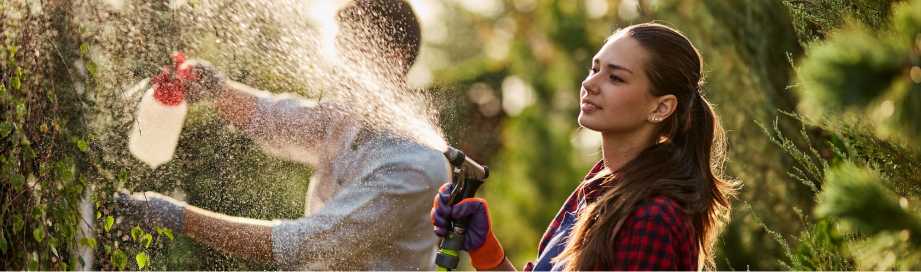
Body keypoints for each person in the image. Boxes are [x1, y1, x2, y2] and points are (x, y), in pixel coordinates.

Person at [117, 0, 450, 270]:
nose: (338, 67)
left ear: (393, 61)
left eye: (351, 54)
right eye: (340, 51)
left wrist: (177, 216)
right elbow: (273, 119)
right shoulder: (348, 118)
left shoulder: (414, 167)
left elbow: (303, 243)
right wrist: (215, 88)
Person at [432, 22, 740, 271]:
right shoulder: (598, 188)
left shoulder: (650, 219)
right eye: (595, 69)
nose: (589, 84)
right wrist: (486, 250)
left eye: (615, 77)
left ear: (660, 107)